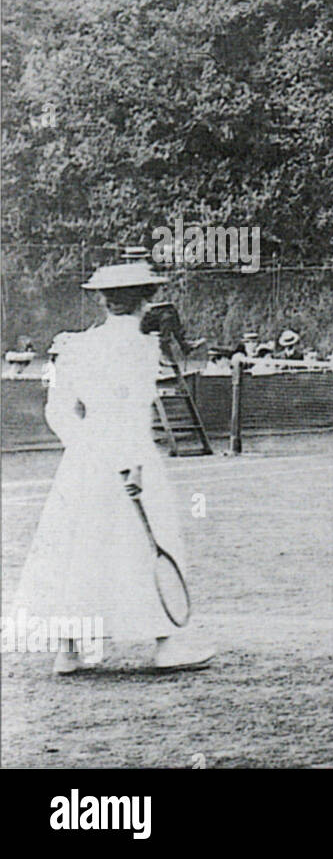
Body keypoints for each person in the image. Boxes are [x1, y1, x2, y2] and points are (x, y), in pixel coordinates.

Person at [11, 262, 214, 673]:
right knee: (141, 545)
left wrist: (88, 446)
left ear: (104, 301)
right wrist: (130, 464)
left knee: (78, 548)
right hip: (129, 463)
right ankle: (166, 645)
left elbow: (59, 411)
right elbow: (132, 412)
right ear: (146, 299)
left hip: (83, 465)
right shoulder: (140, 348)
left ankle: (68, 652)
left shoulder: (74, 345)